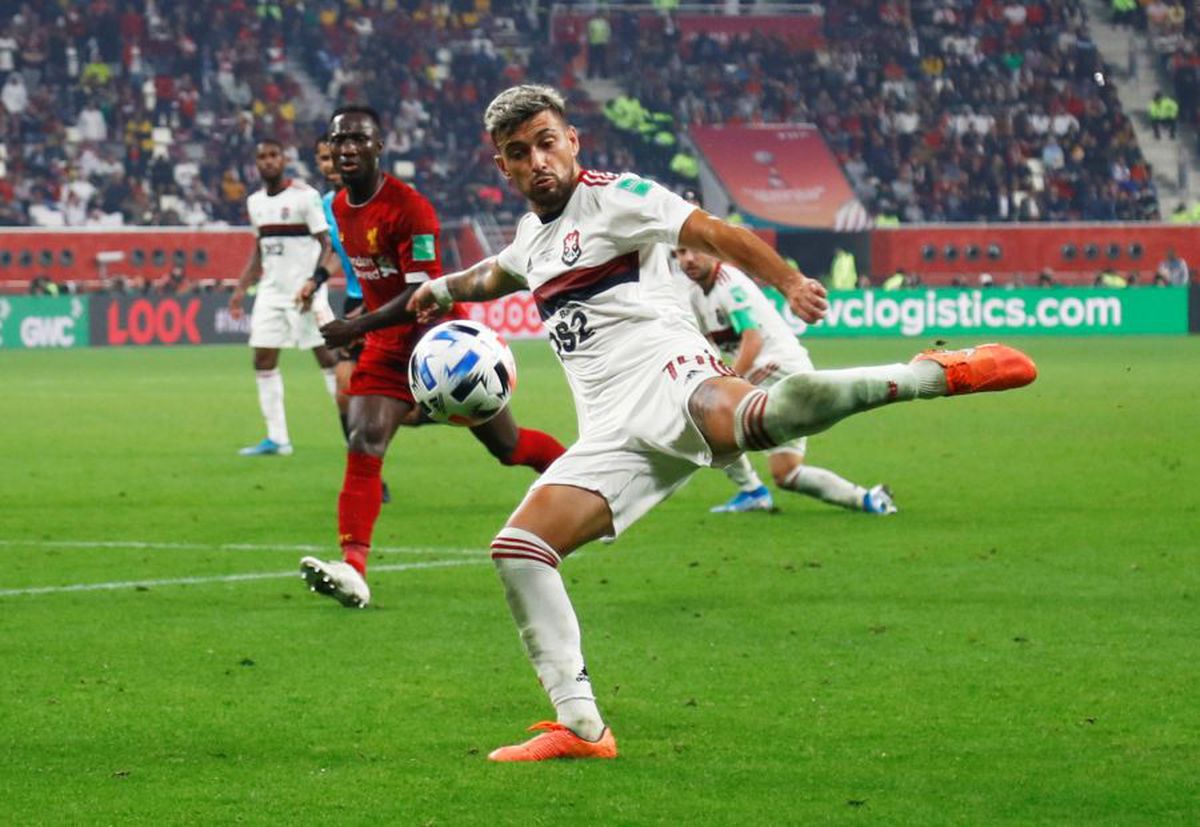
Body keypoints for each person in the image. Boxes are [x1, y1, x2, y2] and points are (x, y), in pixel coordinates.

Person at [408, 85, 1037, 762]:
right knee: (519, 551)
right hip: (611, 432)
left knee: (760, 419)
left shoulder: (617, 196)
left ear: (572, 141)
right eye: (518, 152)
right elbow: (492, 276)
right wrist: (440, 289)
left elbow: (715, 233)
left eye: (546, 142)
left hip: (670, 374)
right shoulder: (533, 238)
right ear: (502, 167)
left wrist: (789, 281)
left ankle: (924, 376)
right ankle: (584, 728)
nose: (537, 160)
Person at [296, 105, 566, 609]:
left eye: (359, 139)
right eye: (339, 141)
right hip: (383, 343)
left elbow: (425, 294)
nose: (347, 148)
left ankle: (584, 477)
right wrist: (362, 325)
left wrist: (354, 325)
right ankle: (353, 568)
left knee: (507, 447)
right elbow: (375, 282)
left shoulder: (410, 208)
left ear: (380, 147)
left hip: (439, 340)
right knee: (364, 440)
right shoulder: (338, 204)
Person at [676, 244, 897, 516]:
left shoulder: (729, 284)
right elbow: (707, 346)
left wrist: (726, 380)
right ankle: (868, 500)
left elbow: (753, 340)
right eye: (680, 253)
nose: (687, 259)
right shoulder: (695, 295)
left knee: (707, 418)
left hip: (778, 368)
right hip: (772, 371)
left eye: (693, 251)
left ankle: (752, 491)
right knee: (786, 473)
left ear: (713, 252)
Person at [229, 138, 340, 457]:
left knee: (328, 359)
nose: (267, 161)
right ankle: (278, 439)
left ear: (284, 159)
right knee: (262, 359)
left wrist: (314, 280)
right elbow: (259, 251)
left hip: (306, 292)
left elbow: (327, 243)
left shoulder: (305, 197)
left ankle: (353, 429)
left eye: (273, 155)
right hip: (271, 293)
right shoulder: (255, 203)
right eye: (261, 156)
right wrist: (240, 289)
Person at [313, 133, 392, 504]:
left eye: (335, 158)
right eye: (324, 160)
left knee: (418, 400)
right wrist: (316, 279)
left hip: (392, 302)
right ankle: (368, 476)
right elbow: (334, 251)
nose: (331, 166)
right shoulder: (329, 204)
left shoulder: (383, 200)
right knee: (345, 389)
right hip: (355, 302)